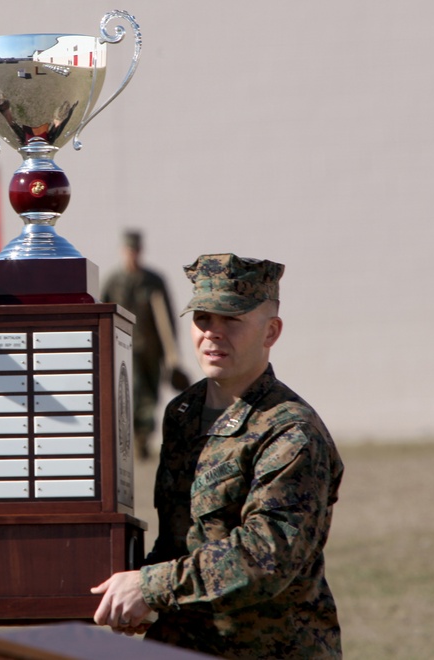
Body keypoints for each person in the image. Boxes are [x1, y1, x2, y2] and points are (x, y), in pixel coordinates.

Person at [91, 253, 344, 659]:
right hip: (181, 644)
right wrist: (133, 585)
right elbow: (179, 537)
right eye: (203, 319)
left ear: (271, 332)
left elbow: (267, 558)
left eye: (232, 320)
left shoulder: (291, 431)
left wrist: (150, 587)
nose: (212, 333)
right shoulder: (183, 413)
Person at [101, 230, 189, 459]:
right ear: (123, 252)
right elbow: (102, 314)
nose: (133, 256)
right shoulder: (114, 281)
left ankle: (143, 436)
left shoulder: (153, 281)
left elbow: (167, 320)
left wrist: (172, 354)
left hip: (150, 350)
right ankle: (134, 435)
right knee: (132, 392)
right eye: (129, 251)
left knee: (150, 393)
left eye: (136, 251)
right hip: (123, 349)